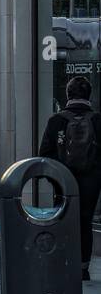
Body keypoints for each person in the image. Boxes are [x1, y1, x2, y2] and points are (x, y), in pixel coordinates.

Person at [40, 75, 101, 279]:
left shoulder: (56, 120)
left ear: (67, 95)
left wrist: (55, 177)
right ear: (89, 96)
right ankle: (83, 268)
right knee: (85, 221)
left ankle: (65, 261)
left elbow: (45, 153)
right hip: (91, 180)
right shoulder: (97, 120)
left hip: (63, 179)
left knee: (64, 219)